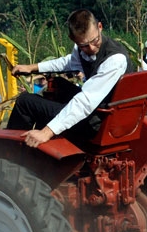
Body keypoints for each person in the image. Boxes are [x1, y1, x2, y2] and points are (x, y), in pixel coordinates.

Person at [7, 9, 128, 148]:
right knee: (58, 84)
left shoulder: (114, 59)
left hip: (99, 122)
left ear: (100, 27)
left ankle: (11, 153)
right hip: (99, 113)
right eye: (84, 45)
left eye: (95, 40)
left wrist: (47, 132)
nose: (91, 48)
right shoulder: (81, 50)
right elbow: (68, 62)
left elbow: (85, 102)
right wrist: (32, 67)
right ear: (74, 39)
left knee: (25, 102)